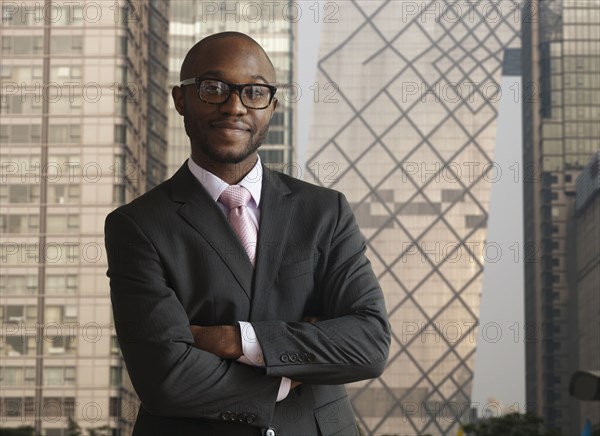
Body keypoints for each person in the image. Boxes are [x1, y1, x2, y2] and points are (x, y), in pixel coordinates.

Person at [105, 31, 390, 436]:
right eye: (214, 88)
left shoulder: (325, 211)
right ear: (181, 99)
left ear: (271, 106)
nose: (234, 106)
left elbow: (369, 343)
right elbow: (165, 378)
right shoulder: (137, 225)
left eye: (254, 92)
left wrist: (237, 340)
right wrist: (295, 365)